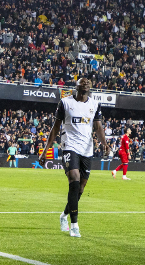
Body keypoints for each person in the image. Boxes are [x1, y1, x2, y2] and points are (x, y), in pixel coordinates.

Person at [40, 78, 111, 238]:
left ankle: (64, 215)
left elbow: (98, 127)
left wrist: (105, 144)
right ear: (76, 86)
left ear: (90, 87)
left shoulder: (95, 104)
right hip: (69, 146)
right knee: (74, 179)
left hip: (87, 149)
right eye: (82, 81)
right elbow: (55, 127)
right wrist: (45, 151)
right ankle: (74, 226)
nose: (85, 83)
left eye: (88, 82)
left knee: (80, 188)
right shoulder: (65, 103)